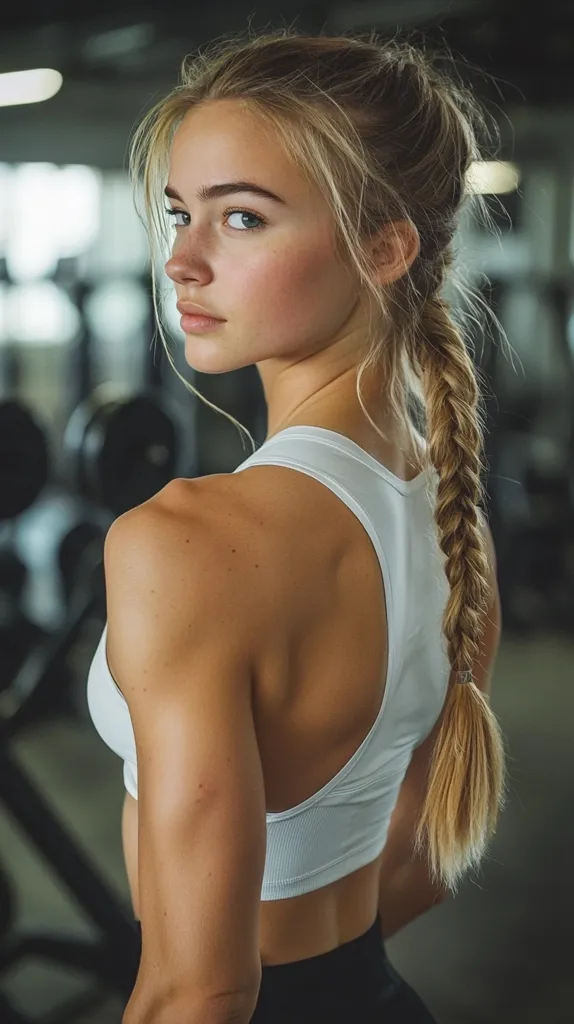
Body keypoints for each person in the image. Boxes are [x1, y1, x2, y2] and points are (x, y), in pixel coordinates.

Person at [86, 27, 506, 1024]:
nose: (181, 260)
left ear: (385, 247)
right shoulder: (457, 534)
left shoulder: (183, 542)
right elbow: (420, 860)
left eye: (239, 218)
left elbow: (200, 987)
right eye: (179, 212)